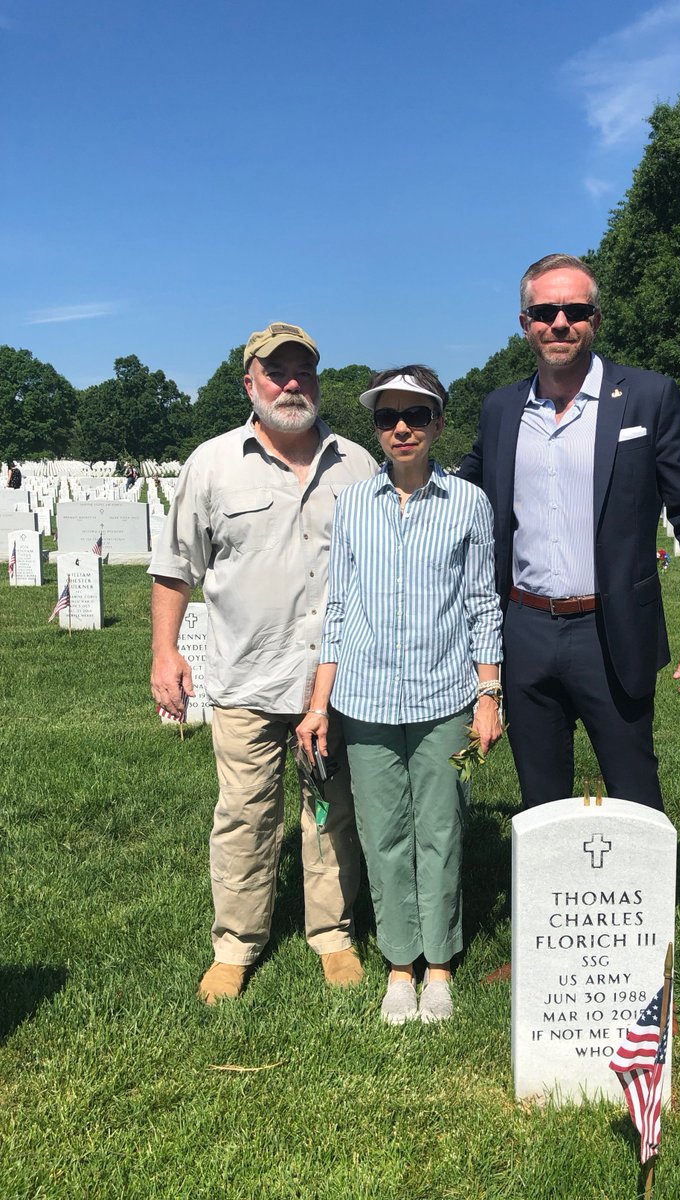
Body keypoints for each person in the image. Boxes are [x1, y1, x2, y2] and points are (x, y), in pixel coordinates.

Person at [149, 322, 378, 1003]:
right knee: (247, 815)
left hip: (334, 684)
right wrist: (164, 652)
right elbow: (173, 568)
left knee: (330, 814)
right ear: (249, 382)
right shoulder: (213, 464)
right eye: (274, 372)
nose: (289, 384)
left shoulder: (357, 465)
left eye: (301, 372)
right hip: (246, 676)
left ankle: (331, 934)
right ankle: (236, 945)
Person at [457, 253, 680, 814]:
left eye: (575, 310)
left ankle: (644, 899)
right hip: (525, 630)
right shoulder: (500, 408)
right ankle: (552, 901)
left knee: (633, 787)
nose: (560, 322)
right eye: (546, 311)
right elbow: (465, 493)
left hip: (613, 630)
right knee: (538, 799)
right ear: (525, 323)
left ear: (595, 320)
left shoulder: (648, 398)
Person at [298, 366, 503, 1024]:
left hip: (448, 706)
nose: (402, 428)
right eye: (388, 418)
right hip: (365, 705)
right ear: (377, 429)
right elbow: (338, 612)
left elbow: (483, 608)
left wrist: (489, 697)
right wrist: (320, 703)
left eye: (416, 415)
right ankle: (398, 962)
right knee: (383, 834)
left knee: (443, 828)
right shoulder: (353, 506)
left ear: (440, 423)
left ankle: (439, 963)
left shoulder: (470, 503)